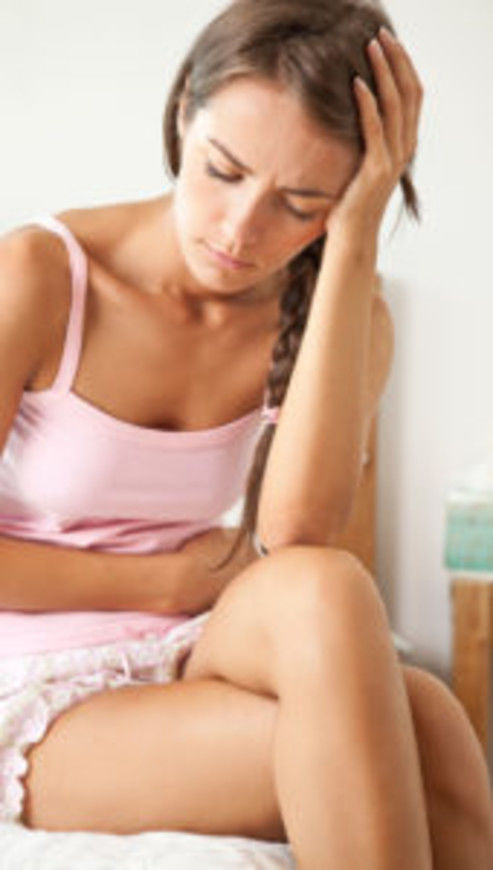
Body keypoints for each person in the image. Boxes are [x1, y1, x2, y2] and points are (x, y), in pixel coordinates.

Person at [0, 0, 491, 867]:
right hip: (33, 676)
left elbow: (298, 536)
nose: (239, 231)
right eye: (222, 171)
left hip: (192, 643)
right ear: (182, 115)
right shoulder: (41, 274)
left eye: (300, 204)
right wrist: (164, 581)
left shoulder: (347, 315)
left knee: (334, 594)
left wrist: (353, 245)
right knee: (408, 739)